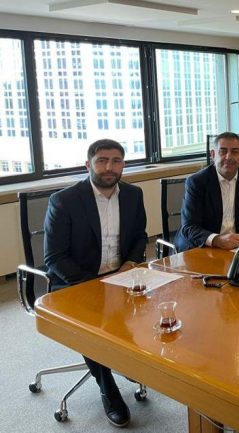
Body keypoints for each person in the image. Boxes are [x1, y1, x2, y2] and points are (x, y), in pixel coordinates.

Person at [44, 139, 147, 428]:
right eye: (102, 160)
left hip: (120, 275)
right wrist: (95, 286)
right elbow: (54, 257)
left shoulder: (133, 194)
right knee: (93, 326)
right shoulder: (64, 200)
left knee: (155, 307)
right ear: (87, 164)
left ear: (123, 165)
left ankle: (128, 362)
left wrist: (130, 264)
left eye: (116, 161)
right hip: (76, 282)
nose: (109, 167)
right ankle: (108, 388)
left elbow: (140, 236)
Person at [175, 132, 239, 252]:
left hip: (237, 246)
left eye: (234, 152)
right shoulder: (196, 182)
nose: (228, 157)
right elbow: (189, 227)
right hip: (202, 246)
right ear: (213, 154)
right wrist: (217, 240)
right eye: (223, 151)